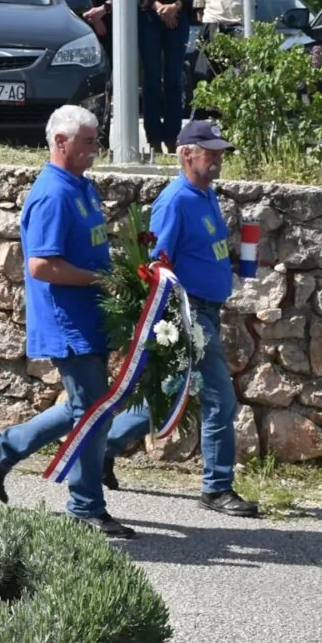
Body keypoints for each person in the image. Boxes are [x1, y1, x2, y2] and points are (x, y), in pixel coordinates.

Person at [0, 106, 136, 538]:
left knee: (88, 407)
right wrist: (99, 280)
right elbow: (42, 265)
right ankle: (85, 505)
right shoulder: (52, 194)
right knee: (92, 412)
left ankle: (3, 447)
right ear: (61, 142)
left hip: (90, 318)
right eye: (88, 141)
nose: (96, 147)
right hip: (69, 323)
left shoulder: (81, 187)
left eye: (97, 139)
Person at [107, 120, 261, 519]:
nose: (217, 160)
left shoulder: (205, 195)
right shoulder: (175, 200)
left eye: (220, 153)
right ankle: (217, 487)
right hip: (189, 314)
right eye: (210, 153)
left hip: (207, 310)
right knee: (220, 398)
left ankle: (102, 447)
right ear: (186, 154)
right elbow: (155, 264)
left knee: (170, 394)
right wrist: (174, 319)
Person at [137, 0, 195, 155]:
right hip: (149, 18)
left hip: (177, 20)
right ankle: (153, 138)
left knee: (174, 79)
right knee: (151, 78)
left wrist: (175, 7)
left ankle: (172, 136)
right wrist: (159, 7)